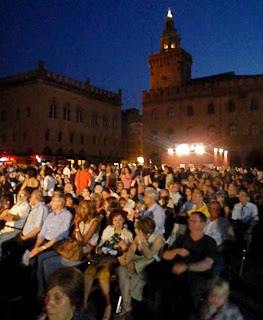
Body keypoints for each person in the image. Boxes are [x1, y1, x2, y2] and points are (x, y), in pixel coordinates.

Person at [160, 211, 217, 318]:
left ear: (203, 224)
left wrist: (187, 267)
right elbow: (165, 255)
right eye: (189, 220)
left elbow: (207, 264)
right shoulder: (182, 238)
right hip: (176, 275)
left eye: (193, 221)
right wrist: (177, 251)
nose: (190, 223)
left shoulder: (209, 242)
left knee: (188, 297)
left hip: (197, 277)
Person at [36, 200, 99, 295]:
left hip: (81, 252)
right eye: (81, 207)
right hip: (73, 247)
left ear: (90, 209)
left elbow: (83, 241)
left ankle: (50, 291)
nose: (82, 210)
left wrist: (77, 226)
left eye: (85, 208)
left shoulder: (94, 222)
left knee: (47, 263)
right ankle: (40, 288)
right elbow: (73, 237)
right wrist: (74, 225)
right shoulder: (80, 219)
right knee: (41, 257)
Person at [84, 209, 133, 320]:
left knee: (103, 275)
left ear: (124, 220)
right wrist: (99, 249)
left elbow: (128, 253)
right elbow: (99, 246)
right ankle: (84, 303)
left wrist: (123, 245)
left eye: (120, 220)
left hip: (115, 261)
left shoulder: (127, 233)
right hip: (102, 258)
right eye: (115, 220)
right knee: (88, 273)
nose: (117, 222)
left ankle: (108, 305)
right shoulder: (108, 230)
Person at [117, 217, 165, 316]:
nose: (135, 230)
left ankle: (131, 306)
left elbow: (149, 255)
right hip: (139, 263)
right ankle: (126, 306)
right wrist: (129, 261)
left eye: (137, 229)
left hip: (152, 266)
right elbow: (131, 249)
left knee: (131, 276)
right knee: (121, 269)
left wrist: (142, 240)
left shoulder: (158, 238)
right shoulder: (138, 236)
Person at [1, 189, 48, 259]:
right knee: (6, 247)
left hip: (27, 237)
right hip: (21, 234)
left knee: (6, 246)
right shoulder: (33, 208)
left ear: (35, 198)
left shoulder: (40, 208)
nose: (30, 199)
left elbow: (38, 228)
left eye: (31, 197)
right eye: (18, 194)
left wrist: (6, 213)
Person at [205, 201, 235, 275]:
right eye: (214, 208)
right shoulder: (204, 220)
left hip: (216, 251)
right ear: (208, 210)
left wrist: (217, 250)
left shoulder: (225, 222)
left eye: (218, 209)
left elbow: (228, 240)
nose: (216, 211)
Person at [0, 189, 31, 255]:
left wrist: (6, 213)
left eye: (22, 195)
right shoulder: (16, 205)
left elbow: (13, 218)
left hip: (14, 231)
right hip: (6, 229)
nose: (19, 196)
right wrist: (6, 214)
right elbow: (5, 217)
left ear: (26, 196)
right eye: (18, 194)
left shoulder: (26, 206)